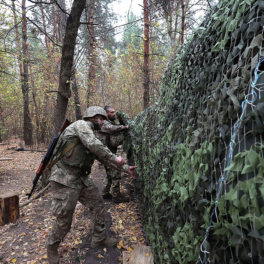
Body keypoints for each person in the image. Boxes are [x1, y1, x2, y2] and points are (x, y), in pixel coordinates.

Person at [45, 106, 137, 264]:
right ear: (92, 117)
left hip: (80, 178)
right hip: (64, 178)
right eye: (101, 118)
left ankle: (99, 237)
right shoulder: (81, 126)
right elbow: (94, 145)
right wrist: (116, 159)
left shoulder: (91, 134)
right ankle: (51, 247)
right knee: (64, 220)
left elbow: (103, 157)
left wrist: (126, 168)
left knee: (97, 203)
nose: (102, 122)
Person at [96, 106, 130, 203]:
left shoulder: (109, 122)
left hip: (108, 152)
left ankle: (105, 193)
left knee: (109, 175)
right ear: (106, 114)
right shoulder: (104, 124)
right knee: (115, 173)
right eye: (112, 112)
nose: (114, 114)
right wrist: (125, 127)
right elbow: (111, 129)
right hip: (107, 153)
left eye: (114, 112)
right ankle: (116, 196)